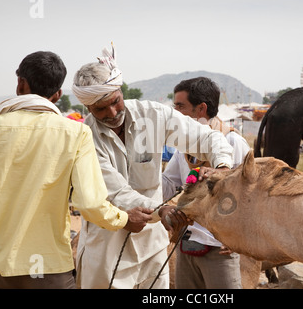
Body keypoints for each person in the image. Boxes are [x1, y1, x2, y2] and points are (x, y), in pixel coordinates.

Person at [0, 51, 152, 289]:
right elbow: (91, 204)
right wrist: (124, 218)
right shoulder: (76, 134)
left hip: (0, 267)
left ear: (20, 84)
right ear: (58, 94)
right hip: (50, 268)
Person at [72, 43, 234, 289]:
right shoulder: (85, 137)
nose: (112, 112)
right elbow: (116, 192)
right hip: (107, 246)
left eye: (115, 101)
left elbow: (205, 137)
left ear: (120, 90)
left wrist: (222, 166)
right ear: (87, 107)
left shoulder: (153, 115)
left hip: (153, 246)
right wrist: (163, 211)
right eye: (100, 109)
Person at [162, 77, 250, 289]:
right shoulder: (184, 145)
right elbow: (167, 183)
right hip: (187, 244)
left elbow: (252, 193)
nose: (175, 113)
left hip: (220, 248)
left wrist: (239, 236)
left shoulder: (233, 142)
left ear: (201, 108)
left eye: (180, 106)